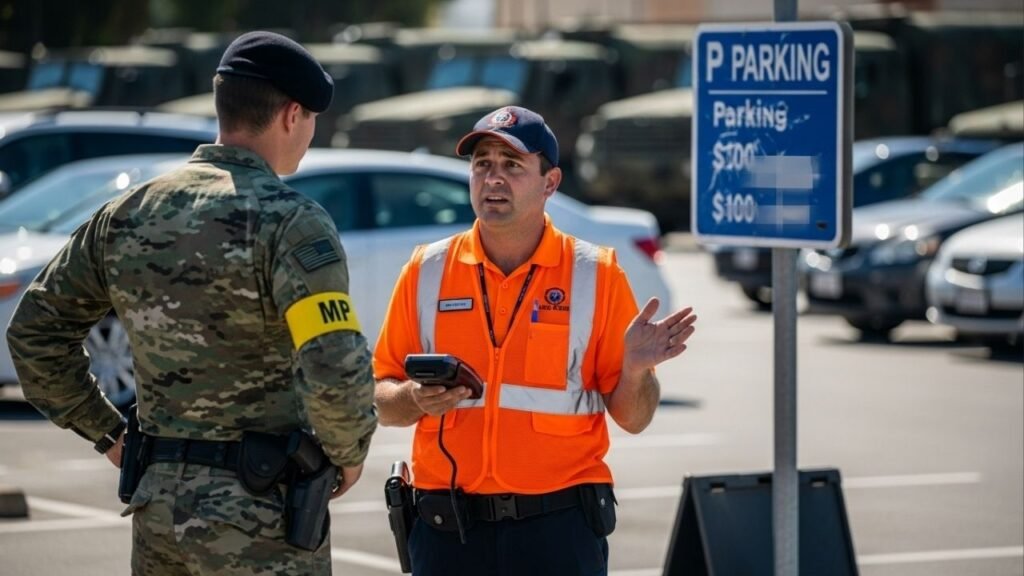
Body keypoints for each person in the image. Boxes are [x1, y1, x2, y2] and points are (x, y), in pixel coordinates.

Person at [6, 31, 377, 575]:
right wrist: (349, 451)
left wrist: (107, 431)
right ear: (292, 115)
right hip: (259, 516)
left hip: (157, 510)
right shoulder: (290, 221)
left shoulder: (129, 212)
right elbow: (331, 361)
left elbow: (34, 331)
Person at [373, 105, 698, 575]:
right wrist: (414, 398)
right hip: (448, 530)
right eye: (482, 164)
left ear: (550, 182)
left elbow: (635, 418)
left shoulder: (595, 275)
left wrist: (635, 370)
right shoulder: (427, 271)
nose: (493, 179)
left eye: (512, 165)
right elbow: (381, 399)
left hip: (558, 530)